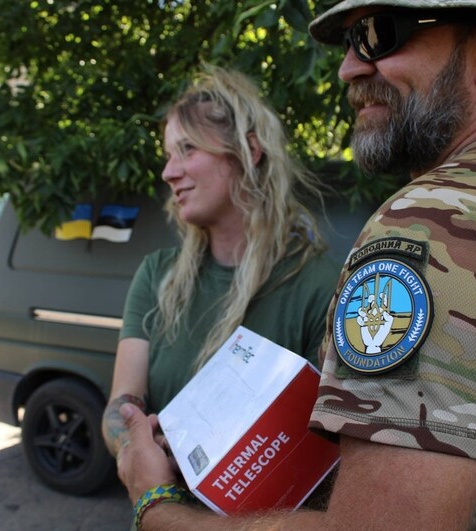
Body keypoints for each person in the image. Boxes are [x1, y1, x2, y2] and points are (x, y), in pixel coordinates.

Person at [116, 1, 476, 529]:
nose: (349, 67)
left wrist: (155, 507)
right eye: (348, 40)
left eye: (381, 33)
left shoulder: (434, 227)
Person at [101, 66, 338, 457]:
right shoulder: (156, 275)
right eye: (168, 155)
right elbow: (122, 401)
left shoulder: (317, 287)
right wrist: (136, 445)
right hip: (158, 512)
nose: (168, 172)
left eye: (187, 149)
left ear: (248, 151)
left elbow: (322, 451)